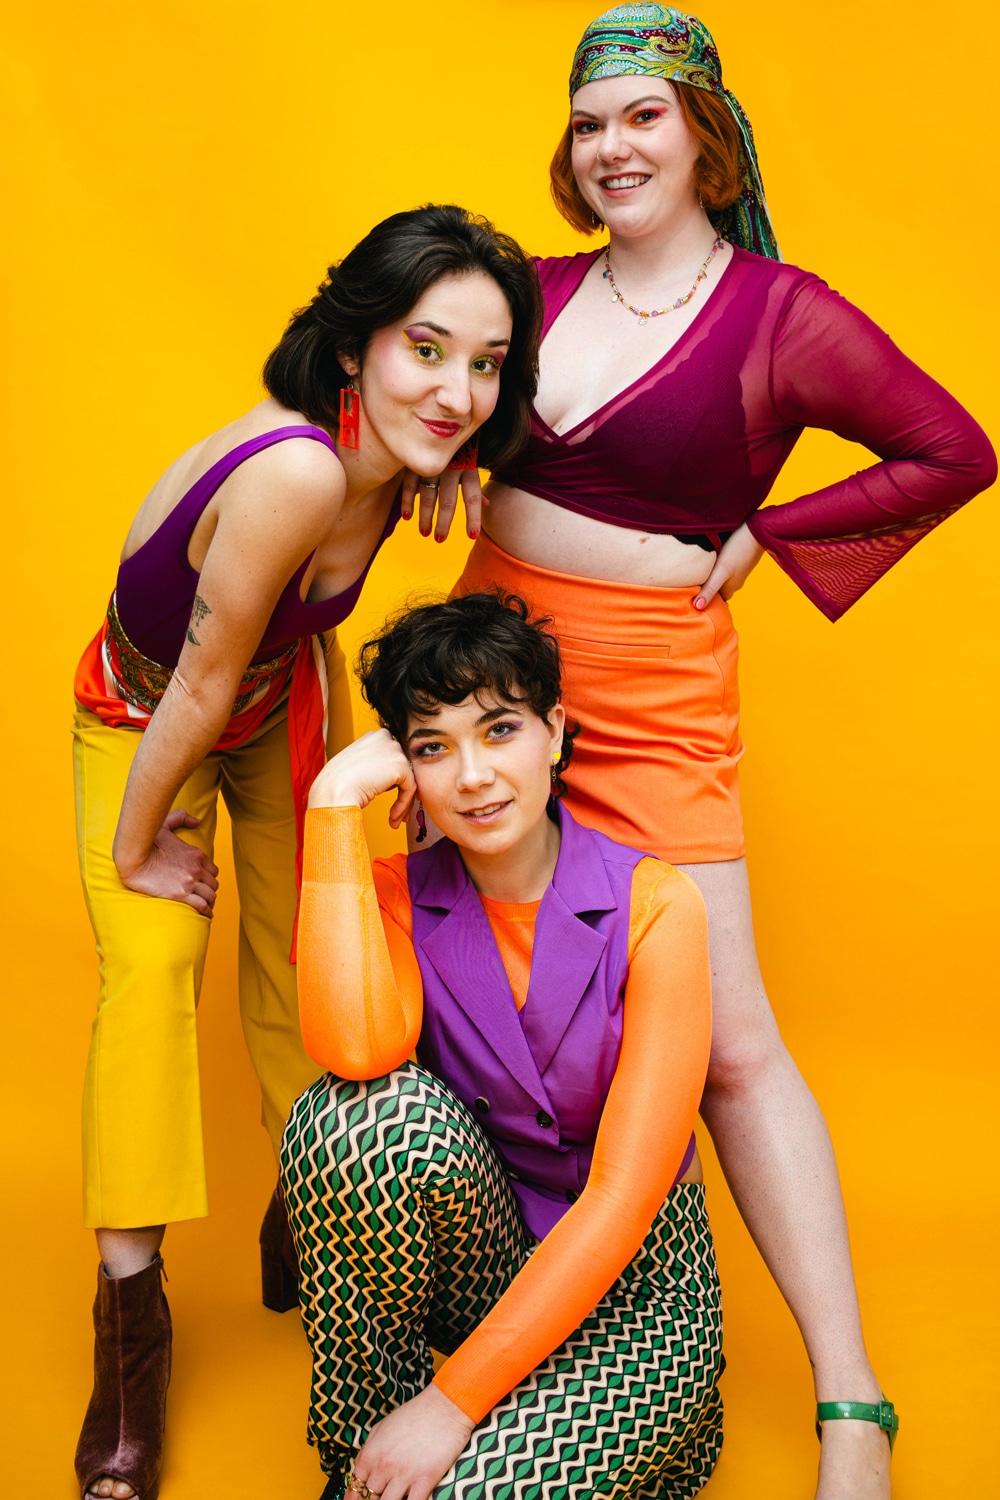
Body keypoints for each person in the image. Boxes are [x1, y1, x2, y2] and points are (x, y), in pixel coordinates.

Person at [406, 8, 995, 1495]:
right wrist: (436, 458)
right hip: (489, 677)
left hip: (654, 691)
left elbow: (952, 450)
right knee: (433, 981)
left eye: (641, 117)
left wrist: (773, 533)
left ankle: (851, 1403)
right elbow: (412, 385)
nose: (611, 148)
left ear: (704, 136)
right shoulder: (527, 292)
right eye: (587, 124)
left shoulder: (782, 315)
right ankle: (453, 1313)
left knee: (733, 1048)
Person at [71, 204, 543, 1500]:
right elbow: (193, 684)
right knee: (151, 978)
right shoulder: (296, 470)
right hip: (149, 717)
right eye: (425, 350)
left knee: (317, 962)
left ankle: (315, 1214)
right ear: (352, 346)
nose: (456, 392)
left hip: (273, 699)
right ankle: (132, 1329)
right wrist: (138, 845)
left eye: (485, 365)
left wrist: (446, 455)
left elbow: (276, 645)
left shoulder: (401, 455)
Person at [283, 590, 722, 1500]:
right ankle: (365, 1464)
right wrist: (331, 805)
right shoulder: (395, 893)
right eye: (433, 746)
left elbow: (622, 1198)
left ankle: (604, 1436)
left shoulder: (657, 907)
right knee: (350, 1118)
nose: (474, 776)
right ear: (404, 766)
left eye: (500, 730)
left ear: (554, 732)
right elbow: (353, 1053)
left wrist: (452, 1405)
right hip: (487, 1258)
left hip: (639, 1288)